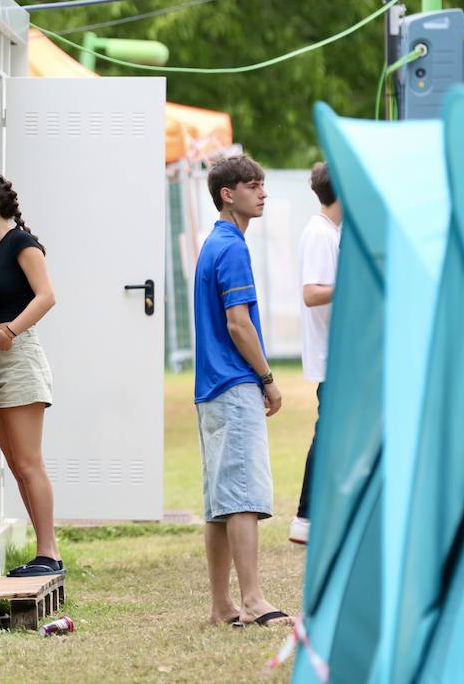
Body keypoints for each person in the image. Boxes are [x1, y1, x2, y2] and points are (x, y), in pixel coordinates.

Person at [192, 154, 290, 627]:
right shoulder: (232, 248)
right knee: (244, 497)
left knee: (219, 504)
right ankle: (252, 601)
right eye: (253, 185)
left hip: (209, 389)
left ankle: (221, 606)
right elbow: (239, 324)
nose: (263, 192)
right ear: (227, 194)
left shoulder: (212, 243)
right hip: (234, 385)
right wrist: (267, 379)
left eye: (263, 184)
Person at [0, 172, 61, 578]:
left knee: (29, 462)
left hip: (19, 357)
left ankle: (49, 554)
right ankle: (44, 553)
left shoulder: (22, 243)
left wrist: (10, 331)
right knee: (16, 465)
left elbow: (47, 296)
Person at [290, 162, 341, 545]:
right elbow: (312, 293)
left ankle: (319, 515)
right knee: (329, 432)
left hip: (337, 353)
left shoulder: (328, 232)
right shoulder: (320, 234)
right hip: (332, 356)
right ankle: (306, 516)